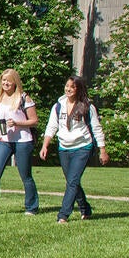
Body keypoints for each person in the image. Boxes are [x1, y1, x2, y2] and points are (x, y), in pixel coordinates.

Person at [40, 75, 109, 224]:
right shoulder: (58, 106)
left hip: (83, 147)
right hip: (64, 148)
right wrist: (45, 145)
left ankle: (63, 215)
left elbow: (97, 129)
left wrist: (102, 150)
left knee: (72, 181)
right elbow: (51, 126)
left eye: (72, 87)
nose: (68, 89)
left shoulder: (87, 107)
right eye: (67, 86)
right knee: (73, 181)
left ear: (79, 89)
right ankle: (85, 209)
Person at [0, 69, 39, 215]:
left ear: (15, 82)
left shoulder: (24, 98)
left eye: (8, 81)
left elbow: (34, 121)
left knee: (25, 175)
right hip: (4, 141)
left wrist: (17, 123)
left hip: (23, 141)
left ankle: (31, 207)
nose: (5, 83)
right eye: (3, 80)